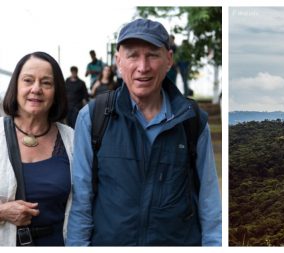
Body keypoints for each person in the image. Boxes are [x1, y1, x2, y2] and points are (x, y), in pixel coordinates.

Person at [67, 18, 221, 246]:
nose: (143, 67)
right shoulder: (94, 118)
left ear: (168, 60)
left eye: (152, 54)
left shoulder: (192, 120)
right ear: (119, 61)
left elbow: (209, 202)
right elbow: (81, 201)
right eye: (132, 55)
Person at [0, 52, 74, 246]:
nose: (36, 89)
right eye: (28, 80)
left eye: (46, 83)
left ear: (56, 91)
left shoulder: (72, 139)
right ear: (15, 86)